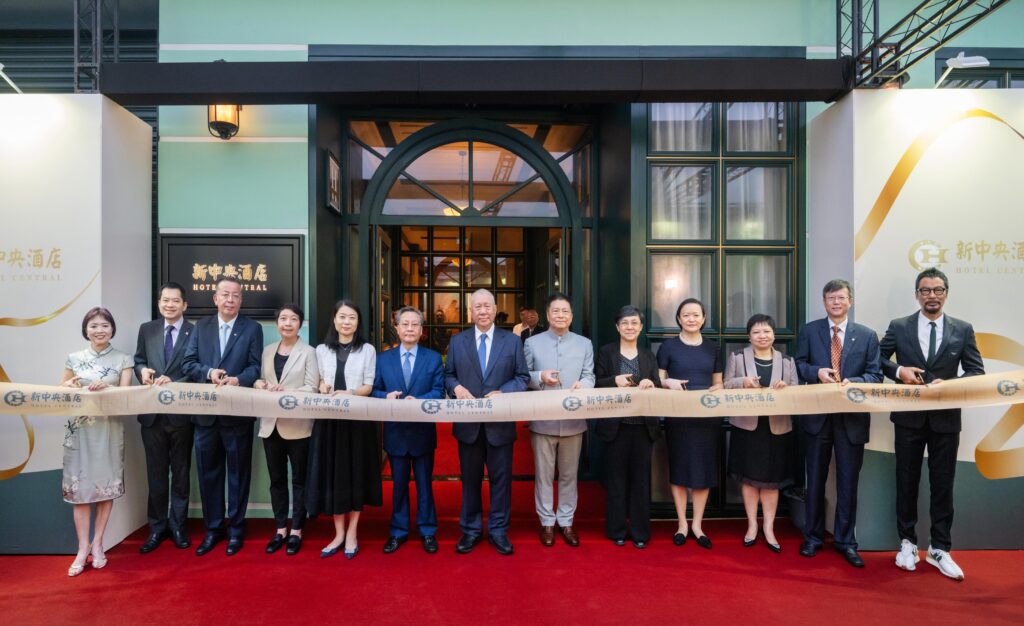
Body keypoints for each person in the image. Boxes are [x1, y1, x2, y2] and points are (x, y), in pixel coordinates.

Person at [879, 267, 984, 581]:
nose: (932, 296)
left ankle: (940, 548)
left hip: (946, 419)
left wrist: (949, 386)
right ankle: (907, 543)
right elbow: (877, 360)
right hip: (908, 417)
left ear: (946, 293)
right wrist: (899, 371)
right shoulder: (899, 326)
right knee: (906, 481)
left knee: (943, 485)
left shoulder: (962, 329)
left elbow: (976, 372)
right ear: (917, 295)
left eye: (938, 290)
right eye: (925, 290)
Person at [795, 278, 882, 568]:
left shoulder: (867, 335)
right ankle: (813, 537)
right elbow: (798, 365)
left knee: (847, 483)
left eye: (841, 297)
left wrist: (852, 381)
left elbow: (875, 375)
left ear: (850, 301)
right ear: (824, 302)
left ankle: (846, 541)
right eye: (831, 298)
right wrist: (816, 372)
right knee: (815, 481)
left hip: (851, 420)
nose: (836, 302)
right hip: (817, 418)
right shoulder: (809, 331)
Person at [182, 276, 263, 557]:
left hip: (237, 416)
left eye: (236, 295)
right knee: (208, 475)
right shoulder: (201, 327)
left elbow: (255, 368)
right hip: (206, 417)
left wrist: (238, 379)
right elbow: (188, 363)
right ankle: (213, 529)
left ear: (241, 299)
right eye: (225, 294)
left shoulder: (252, 328)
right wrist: (208, 373)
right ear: (215, 298)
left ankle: (236, 529)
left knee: (239, 475)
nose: (230, 300)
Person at [445, 288, 529, 555]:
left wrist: (503, 391)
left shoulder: (512, 341)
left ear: (494, 309)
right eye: (477, 307)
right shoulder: (457, 341)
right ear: (470, 311)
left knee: (501, 481)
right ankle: (470, 530)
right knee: (469, 480)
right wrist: (456, 387)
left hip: (500, 425)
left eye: (487, 306)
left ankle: (498, 530)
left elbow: (522, 377)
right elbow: (448, 375)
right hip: (468, 426)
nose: (482, 311)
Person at [61, 307, 134, 576]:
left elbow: (127, 396)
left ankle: (98, 543)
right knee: (80, 491)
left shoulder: (123, 359)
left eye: (104, 325)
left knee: (105, 488)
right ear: (86, 330)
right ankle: (82, 548)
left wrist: (108, 388)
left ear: (112, 329)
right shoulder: (74, 357)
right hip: (79, 429)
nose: (99, 330)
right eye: (93, 326)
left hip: (108, 428)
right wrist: (68, 387)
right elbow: (61, 389)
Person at [307, 299, 380, 560]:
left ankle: (352, 532)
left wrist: (349, 393)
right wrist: (323, 387)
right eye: (342, 317)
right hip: (329, 421)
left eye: (352, 317)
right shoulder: (321, 350)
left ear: (358, 322)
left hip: (357, 421)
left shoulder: (368, 350)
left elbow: (369, 386)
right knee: (334, 476)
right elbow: (319, 381)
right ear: (334, 320)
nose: (346, 322)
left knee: (355, 474)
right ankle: (338, 534)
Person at [524, 293, 595, 547]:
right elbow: (523, 375)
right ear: (547, 315)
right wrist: (540, 377)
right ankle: (546, 521)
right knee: (543, 475)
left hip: (573, 420)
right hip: (543, 419)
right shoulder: (532, 343)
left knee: (568, 475)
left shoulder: (584, 344)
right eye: (556, 311)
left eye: (565, 311)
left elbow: (590, 375)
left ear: (571, 316)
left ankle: (566, 521)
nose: (561, 315)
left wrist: (584, 384)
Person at [372, 306, 444, 555]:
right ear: (397, 328)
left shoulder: (433, 358)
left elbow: (439, 392)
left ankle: (427, 531)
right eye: (405, 324)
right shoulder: (383, 359)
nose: (410, 329)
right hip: (396, 434)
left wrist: (420, 401)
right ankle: (398, 531)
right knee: (399, 486)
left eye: (415, 324)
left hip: (423, 433)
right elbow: (374, 390)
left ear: (422, 330)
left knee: (425, 486)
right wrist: (385, 396)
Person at [724, 314, 797, 553]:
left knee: (771, 481)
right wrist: (742, 382)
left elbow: (797, 393)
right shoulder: (737, 357)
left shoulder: (787, 361)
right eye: (756, 332)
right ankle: (752, 525)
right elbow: (725, 385)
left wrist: (786, 388)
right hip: (747, 426)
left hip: (777, 427)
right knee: (749, 478)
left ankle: (769, 527)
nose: (762, 336)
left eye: (766, 331)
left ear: (774, 334)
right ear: (749, 336)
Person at [133, 282, 195, 554]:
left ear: (184, 305)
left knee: (180, 475)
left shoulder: (195, 331)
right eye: (165, 300)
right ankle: (157, 528)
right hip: (152, 417)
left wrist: (176, 383)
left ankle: (179, 526)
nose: (169, 305)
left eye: (175, 301)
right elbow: (138, 360)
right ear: (159, 303)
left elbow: (196, 369)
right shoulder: (147, 329)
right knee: (156, 475)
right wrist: (142, 371)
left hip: (182, 416)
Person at [253, 303, 319, 556]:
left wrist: (286, 392)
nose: (287, 323)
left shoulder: (309, 352)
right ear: (277, 323)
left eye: (293, 319)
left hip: (298, 426)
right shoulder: (268, 351)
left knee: (299, 480)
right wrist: (260, 384)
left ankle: (297, 530)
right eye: (283, 319)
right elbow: (261, 380)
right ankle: (280, 528)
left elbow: (312, 387)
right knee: (277, 480)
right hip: (270, 425)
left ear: (300, 324)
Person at [657, 297, 723, 549]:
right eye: (686, 315)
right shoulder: (668, 347)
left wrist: (717, 389)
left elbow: (718, 381)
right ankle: (682, 524)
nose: (691, 319)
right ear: (679, 319)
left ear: (703, 319)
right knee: (680, 469)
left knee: (703, 471)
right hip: (679, 418)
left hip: (707, 418)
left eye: (696, 315)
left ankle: (697, 524)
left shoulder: (713, 348)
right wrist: (668, 382)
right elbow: (658, 379)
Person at [595, 305, 660, 549]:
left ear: (641, 327)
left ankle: (641, 532)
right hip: (616, 427)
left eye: (634, 323)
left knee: (641, 482)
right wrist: (614, 380)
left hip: (643, 427)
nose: (629, 327)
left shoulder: (648, 355)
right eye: (625, 323)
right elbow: (596, 383)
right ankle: (617, 530)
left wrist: (650, 383)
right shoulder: (607, 352)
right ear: (617, 327)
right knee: (616, 481)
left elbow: (657, 383)